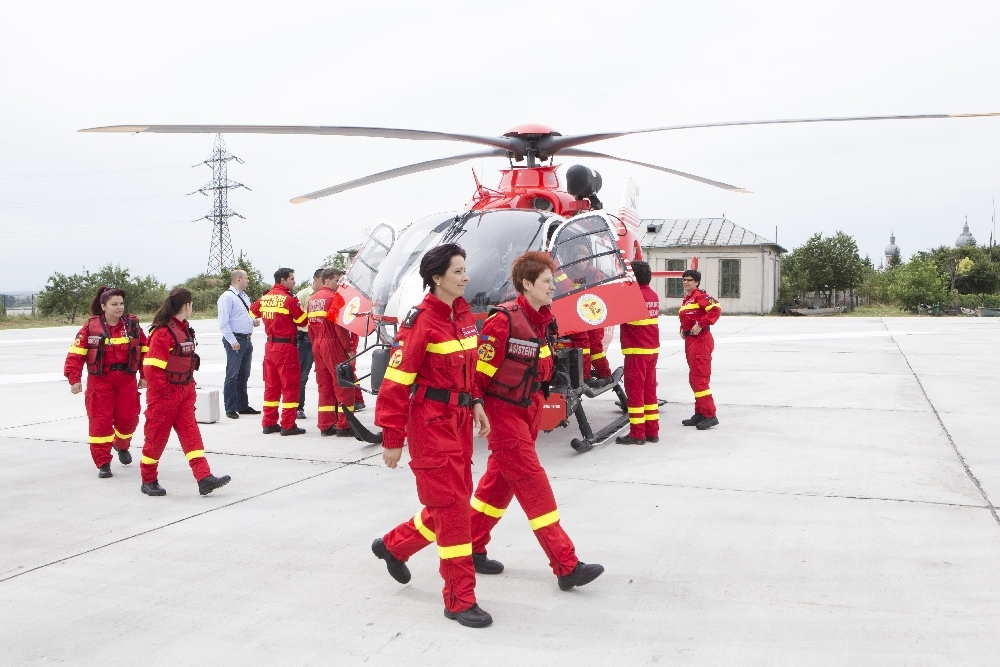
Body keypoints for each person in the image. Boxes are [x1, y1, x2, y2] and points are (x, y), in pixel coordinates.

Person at [370, 244, 493, 629]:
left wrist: (476, 401)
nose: (466, 277)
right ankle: (459, 599)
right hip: (430, 425)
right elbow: (395, 382)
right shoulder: (421, 321)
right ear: (437, 278)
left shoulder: (463, 316)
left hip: (459, 422)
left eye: (465, 269)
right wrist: (392, 437)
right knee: (453, 510)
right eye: (458, 271)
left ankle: (394, 545)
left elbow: (470, 368)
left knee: (451, 503)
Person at [470, 251, 605, 591]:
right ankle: (566, 564)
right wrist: (476, 408)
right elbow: (479, 375)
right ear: (527, 284)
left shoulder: (543, 321)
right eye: (546, 281)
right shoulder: (503, 321)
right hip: (504, 415)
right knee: (534, 485)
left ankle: (470, 544)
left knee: (498, 485)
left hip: (528, 410)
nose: (552, 286)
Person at [139, 288, 231, 496]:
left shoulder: (185, 329)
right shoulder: (162, 333)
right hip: (164, 395)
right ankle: (148, 480)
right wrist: (166, 392)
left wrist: (188, 387)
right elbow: (152, 369)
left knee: (191, 434)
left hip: (185, 391)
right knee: (156, 438)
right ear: (187, 305)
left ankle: (204, 477)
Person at [64, 286, 148, 478]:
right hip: (100, 382)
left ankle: (121, 445)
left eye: (121, 303)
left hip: (127, 380)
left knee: (129, 419)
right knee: (100, 422)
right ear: (103, 306)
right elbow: (75, 355)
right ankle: (103, 462)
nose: (119, 307)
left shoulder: (132, 326)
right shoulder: (90, 327)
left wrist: (144, 375)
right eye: (114, 304)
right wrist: (74, 379)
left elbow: (146, 351)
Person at [250, 268, 308, 436]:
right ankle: (288, 425)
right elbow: (302, 321)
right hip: (286, 347)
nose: (294, 281)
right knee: (290, 386)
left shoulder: (265, 297)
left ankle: (268, 423)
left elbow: (252, 312)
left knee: (271, 386)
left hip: (270, 347)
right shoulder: (289, 299)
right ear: (283, 280)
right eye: (292, 279)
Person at [615, 261, 661, 445]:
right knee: (649, 392)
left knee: (635, 392)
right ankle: (652, 431)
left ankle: (637, 433)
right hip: (651, 350)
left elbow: (616, 314)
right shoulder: (652, 295)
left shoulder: (634, 297)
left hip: (636, 351)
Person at [306, 268, 355, 436]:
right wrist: (348, 349)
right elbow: (340, 328)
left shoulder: (313, 299)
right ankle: (344, 425)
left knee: (324, 385)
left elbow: (310, 328)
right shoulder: (335, 298)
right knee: (344, 384)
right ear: (326, 280)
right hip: (332, 343)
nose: (339, 284)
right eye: (336, 281)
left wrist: (315, 346)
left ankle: (325, 425)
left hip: (317, 343)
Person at [679, 269, 721, 430]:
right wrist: (683, 330)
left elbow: (715, 309)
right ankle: (700, 413)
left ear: (696, 282)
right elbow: (687, 319)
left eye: (689, 280)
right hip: (691, 341)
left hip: (701, 340)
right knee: (694, 377)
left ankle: (710, 415)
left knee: (699, 379)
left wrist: (700, 324)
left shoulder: (700, 296)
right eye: (684, 279)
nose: (686, 282)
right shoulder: (687, 300)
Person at [218, 269, 261, 419]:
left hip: (247, 339)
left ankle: (242, 405)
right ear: (238, 279)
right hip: (236, 340)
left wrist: (253, 321)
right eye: (246, 278)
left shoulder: (244, 296)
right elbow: (223, 323)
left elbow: (244, 315)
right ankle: (230, 408)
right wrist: (232, 341)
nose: (248, 281)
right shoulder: (227, 297)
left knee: (244, 374)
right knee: (232, 375)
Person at [296, 269, 324, 420]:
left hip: (322, 337)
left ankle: (327, 409)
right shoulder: (303, 295)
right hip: (306, 339)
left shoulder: (326, 296)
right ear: (316, 279)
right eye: (323, 280)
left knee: (325, 375)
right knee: (302, 376)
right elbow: (295, 318)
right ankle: (298, 408)